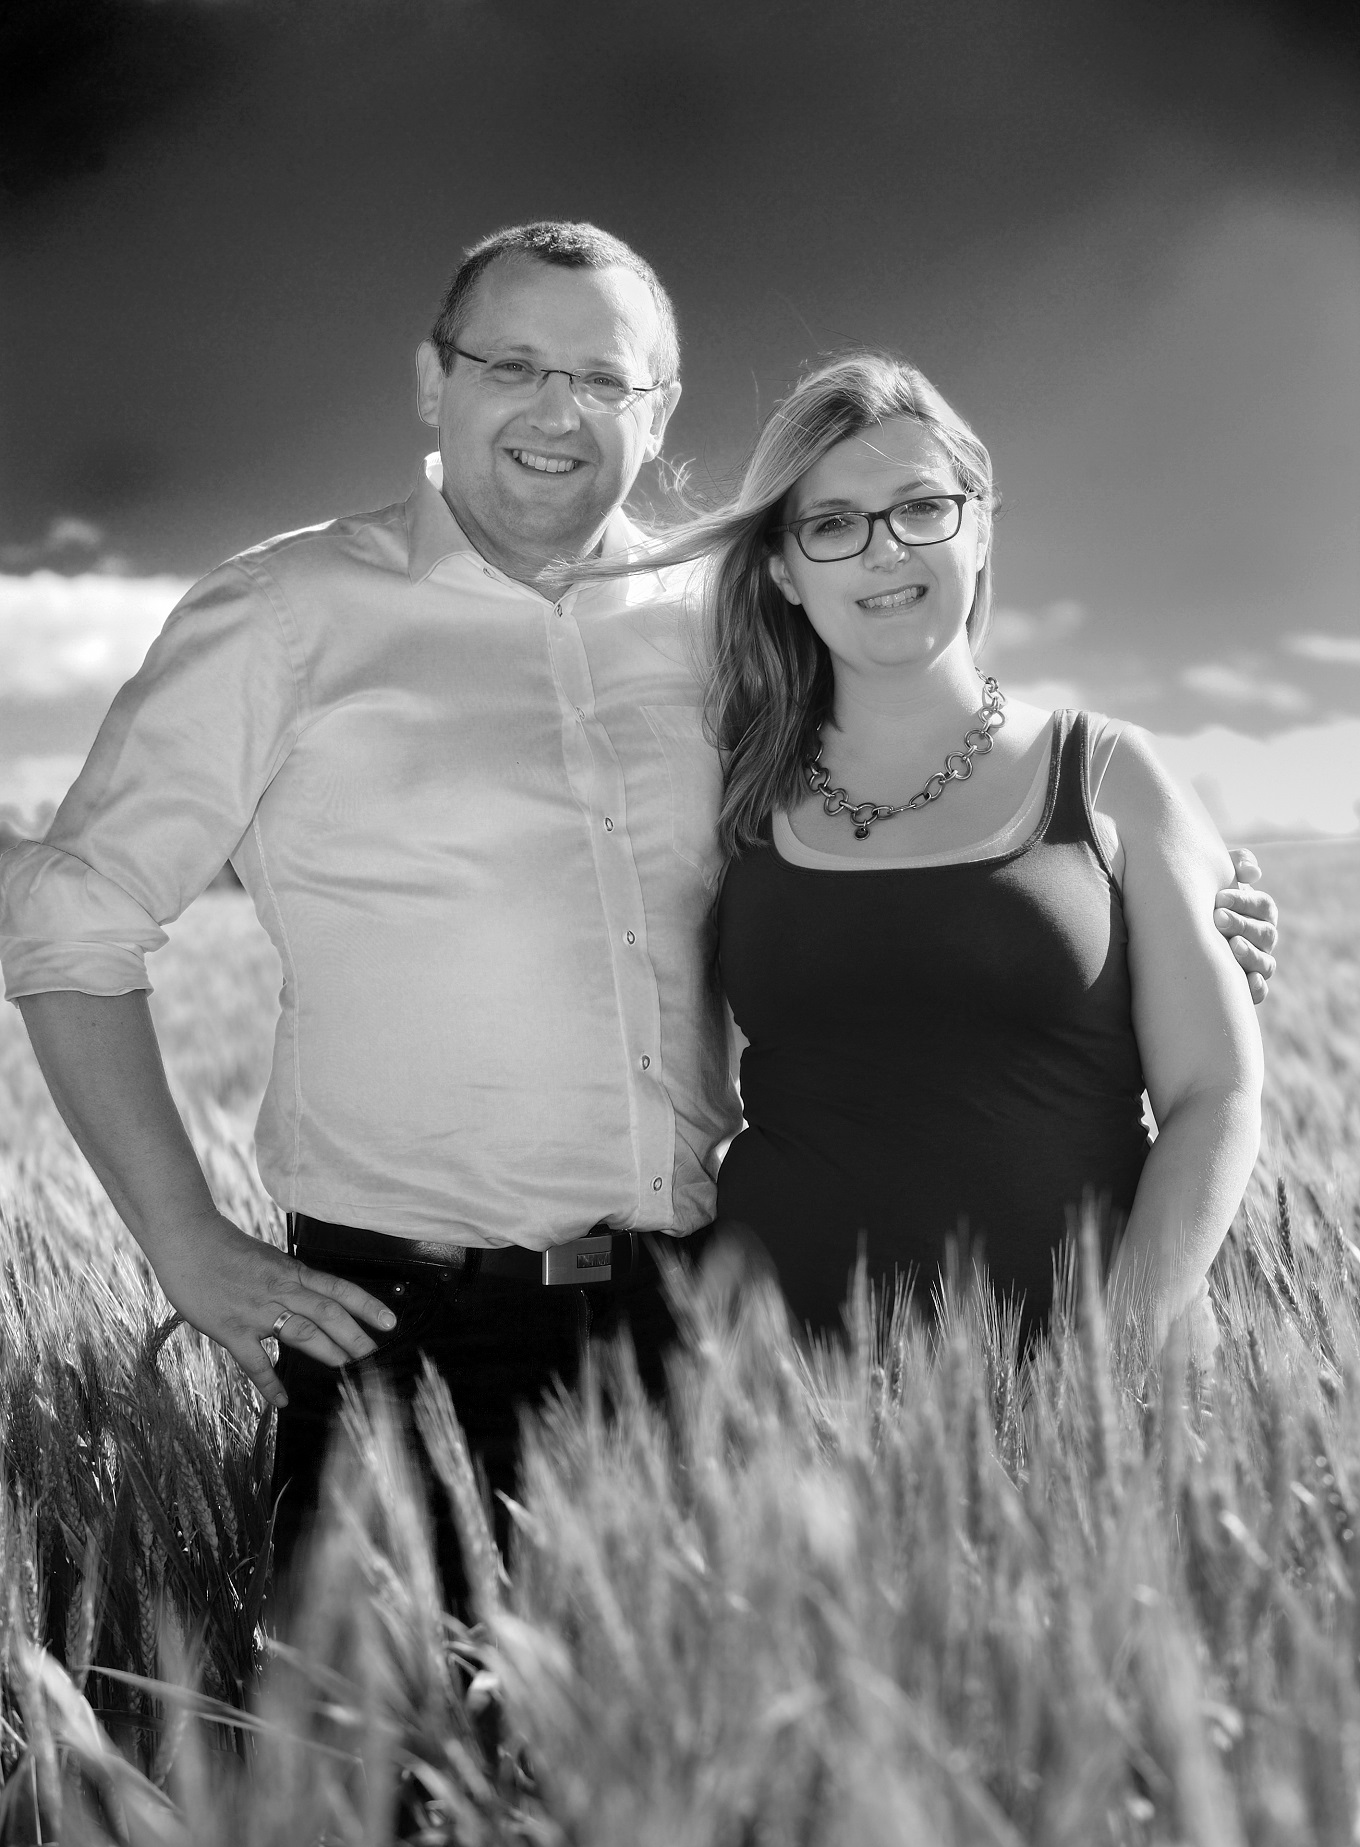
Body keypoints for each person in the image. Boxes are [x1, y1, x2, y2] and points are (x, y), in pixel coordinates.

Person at [0, 228, 1276, 1595]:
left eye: (603, 379)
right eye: (513, 365)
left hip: (697, 1328)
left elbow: (919, 814)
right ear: (434, 381)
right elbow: (74, 919)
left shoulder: (714, 628)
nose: (557, 411)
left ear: (658, 411)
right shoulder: (283, 613)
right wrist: (184, 1240)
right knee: (398, 1735)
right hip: (415, 1325)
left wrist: (1166, 910)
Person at [592, 353, 1265, 1351]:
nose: (884, 551)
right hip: (779, 1394)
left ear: (979, 528)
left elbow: (1214, 1095)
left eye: (920, 509)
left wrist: (1111, 1363)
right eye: (833, 524)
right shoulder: (728, 791)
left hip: (1086, 1390)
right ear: (782, 569)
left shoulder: (1105, 775)